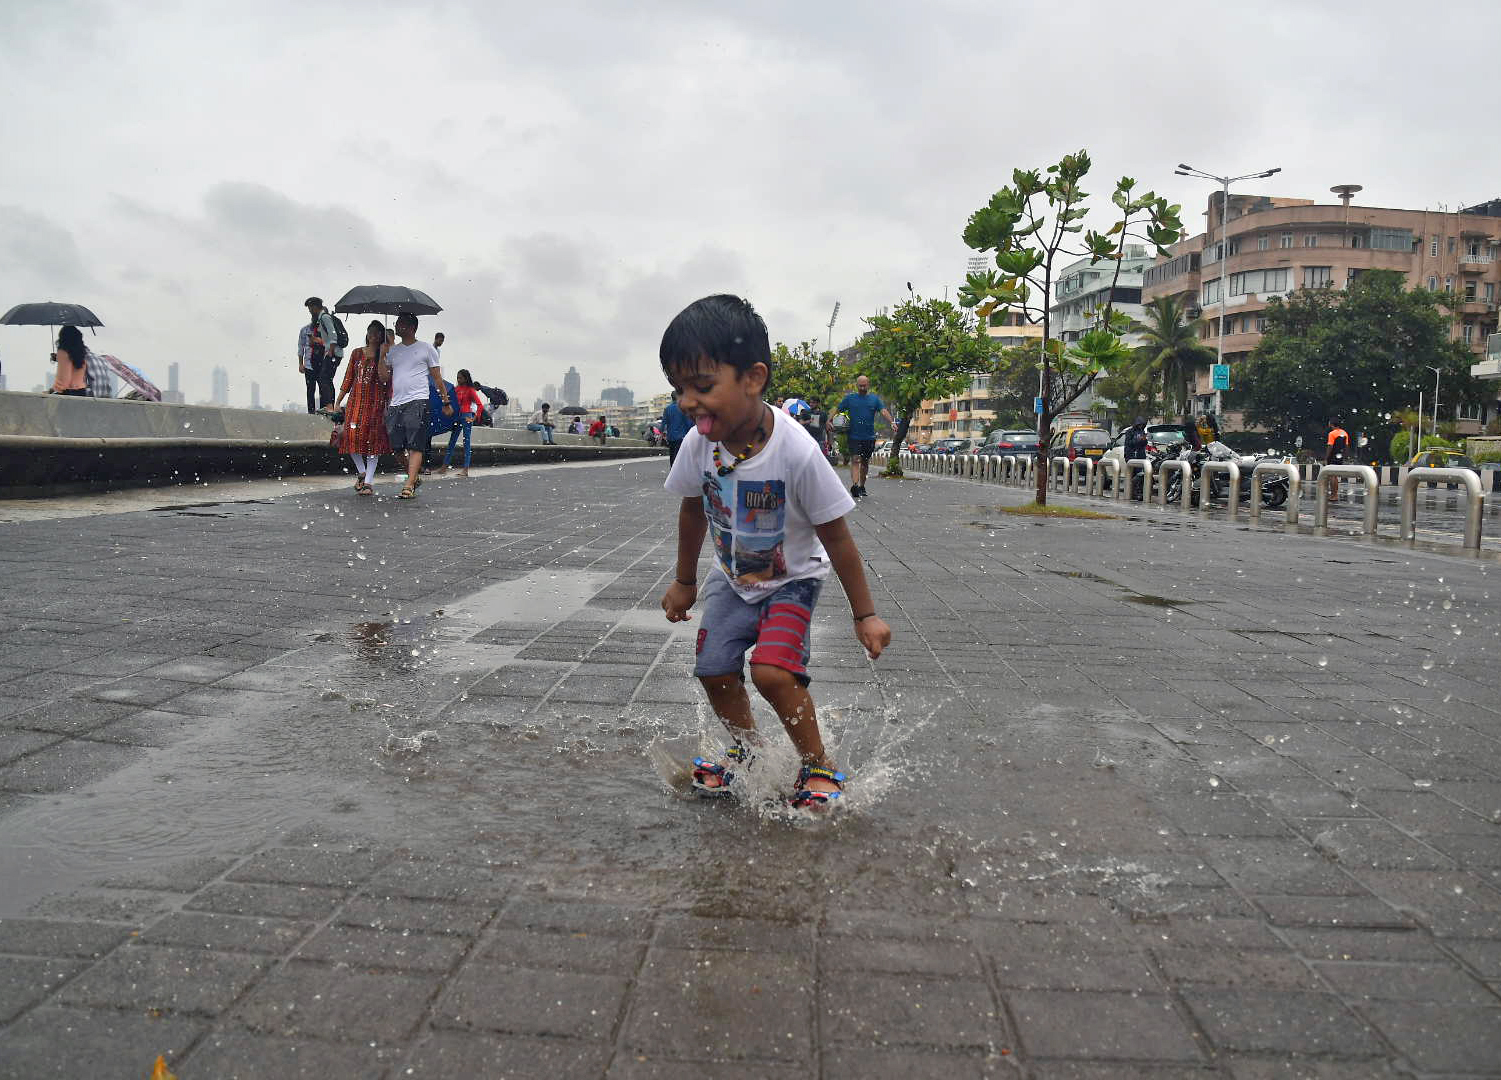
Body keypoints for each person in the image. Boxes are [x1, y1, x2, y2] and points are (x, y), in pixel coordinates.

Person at [658, 294, 891, 810]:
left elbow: (838, 537)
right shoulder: (700, 443)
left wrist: (865, 614)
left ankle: (817, 764)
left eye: (702, 386)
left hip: (791, 582)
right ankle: (749, 752)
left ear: (753, 378)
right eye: (679, 390)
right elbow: (693, 510)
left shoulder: (797, 451)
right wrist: (684, 580)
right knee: (714, 668)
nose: (688, 402)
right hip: (731, 580)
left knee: (771, 672)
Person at [379, 311, 451, 499]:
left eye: (401, 323)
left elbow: (437, 377)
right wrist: (382, 354)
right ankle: (414, 476)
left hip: (418, 400)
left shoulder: (427, 349)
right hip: (396, 403)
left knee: (415, 444)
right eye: (397, 323)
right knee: (395, 446)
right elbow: (384, 377)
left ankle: (409, 484)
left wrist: (446, 401)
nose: (397, 326)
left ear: (412, 327)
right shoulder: (393, 350)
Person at [333, 320, 393, 495]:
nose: (373, 336)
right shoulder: (356, 353)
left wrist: (382, 356)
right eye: (370, 332)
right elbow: (348, 378)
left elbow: (385, 381)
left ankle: (368, 482)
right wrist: (338, 401)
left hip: (375, 404)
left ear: (382, 336)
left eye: (377, 333)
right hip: (355, 403)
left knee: (373, 442)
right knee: (350, 438)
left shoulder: (386, 356)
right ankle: (362, 472)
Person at [835, 375, 893, 498]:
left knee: (865, 462)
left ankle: (862, 486)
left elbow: (883, 411)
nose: (862, 387)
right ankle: (855, 486)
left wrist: (891, 422)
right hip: (854, 435)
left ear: (868, 385)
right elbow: (838, 409)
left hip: (869, 436)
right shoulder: (850, 399)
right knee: (855, 459)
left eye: (864, 385)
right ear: (857, 385)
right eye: (860, 385)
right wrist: (829, 421)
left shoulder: (874, 399)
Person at [435, 368, 484, 477]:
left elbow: (480, 405)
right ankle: (444, 467)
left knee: (466, 443)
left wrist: (473, 418)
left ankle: (465, 469)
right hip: (457, 417)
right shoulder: (455, 389)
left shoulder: (470, 390)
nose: (458, 379)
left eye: (460, 378)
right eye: (457, 377)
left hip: (466, 416)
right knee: (452, 442)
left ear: (466, 379)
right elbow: (449, 401)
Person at [303, 297, 341, 413]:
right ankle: (330, 406)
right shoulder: (321, 319)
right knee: (327, 379)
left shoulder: (324, 318)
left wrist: (331, 350)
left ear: (315, 307)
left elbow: (333, 335)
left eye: (310, 308)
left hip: (333, 353)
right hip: (331, 352)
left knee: (324, 378)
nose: (309, 310)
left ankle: (330, 407)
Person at [49, 326, 89, 395]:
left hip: (68, 394)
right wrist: (58, 358)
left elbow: (64, 381)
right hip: (82, 392)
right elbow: (73, 364)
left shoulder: (63, 352)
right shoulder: (82, 352)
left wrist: (52, 390)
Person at [1122, 416, 1149, 499]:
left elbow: (1144, 443)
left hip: (1140, 456)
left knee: (1140, 475)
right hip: (1131, 456)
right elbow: (1129, 443)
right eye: (1139, 425)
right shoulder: (1130, 432)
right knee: (1132, 474)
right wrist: (1138, 440)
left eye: (1142, 425)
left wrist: (1144, 439)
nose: (1141, 426)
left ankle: (1139, 491)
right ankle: (1131, 492)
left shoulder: (1141, 431)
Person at [663, 389, 692, 464]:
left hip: (671, 437)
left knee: (672, 454)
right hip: (681, 436)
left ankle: (672, 469)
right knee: (680, 454)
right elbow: (688, 422)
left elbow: (663, 423)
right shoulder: (682, 408)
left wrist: (661, 432)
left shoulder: (667, 409)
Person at [1325, 417, 1351, 501]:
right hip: (1340, 457)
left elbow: (1330, 446)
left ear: (1331, 424)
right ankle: (1335, 494)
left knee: (1332, 476)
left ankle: (1333, 495)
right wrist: (1346, 456)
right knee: (1335, 476)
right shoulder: (1344, 433)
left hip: (1332, 456)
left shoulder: (1332, 434)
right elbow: (1346, 446)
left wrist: (1326, 457)